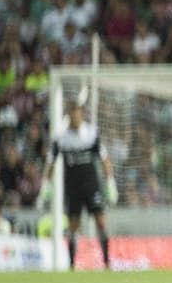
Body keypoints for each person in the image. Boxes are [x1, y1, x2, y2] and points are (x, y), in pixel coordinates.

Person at [42, 93, 117, 269]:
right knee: (73, 226)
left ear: (82, 114)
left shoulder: (91, 134)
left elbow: (104, 159)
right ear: (69, 115)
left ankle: (106, 262)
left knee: (101, 222)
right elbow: (51, 162)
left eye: (78, 113)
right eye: (73, 113)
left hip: (91, 185)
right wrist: (46, 185)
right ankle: (71, 264)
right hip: (73, 187)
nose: (76, 116)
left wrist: (110, 182)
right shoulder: (61, 138)